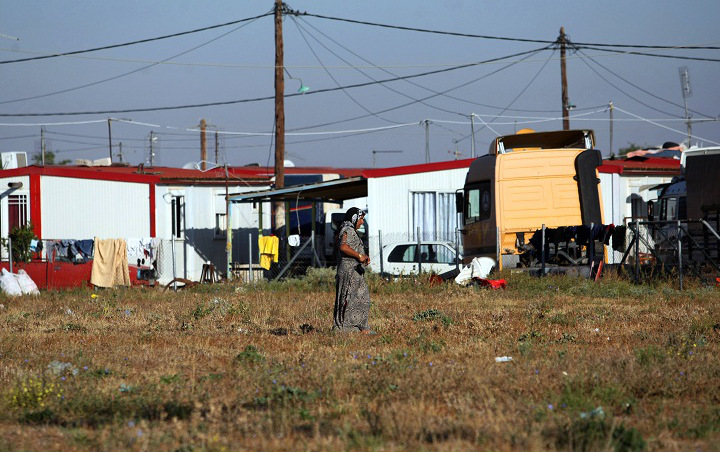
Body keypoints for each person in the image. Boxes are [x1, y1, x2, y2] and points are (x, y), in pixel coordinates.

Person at [333, 207, 372, 333]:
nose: (362, 222)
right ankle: (343, 328)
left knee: (362, 297)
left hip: (356, 271)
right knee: (348, 298)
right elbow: (343, 247)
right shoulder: (347, 230)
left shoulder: (352, 231)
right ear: (354, 218)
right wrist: (359, 256)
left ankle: (360, 326)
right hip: (348, 271)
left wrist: (363, 258)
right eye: (361, 219)